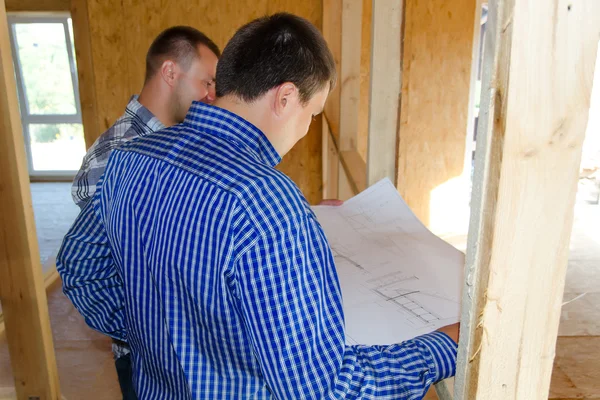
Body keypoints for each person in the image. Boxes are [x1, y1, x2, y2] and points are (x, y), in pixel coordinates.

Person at [58, 13, 458, 399]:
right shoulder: (267, 203)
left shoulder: (131, 159)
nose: (306, 128)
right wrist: (443, 346)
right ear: (285, 97)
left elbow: (81, 271)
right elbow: (326, 390)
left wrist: (159, 331)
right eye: (312, 113)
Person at [69, 25, 220, 399]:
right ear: (170, 73)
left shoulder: (173, 143)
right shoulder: (115, 156)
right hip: (145, 360)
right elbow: (93, 273)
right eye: (207, 82)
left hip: (178, 354)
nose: (212, 95)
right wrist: (147, 330)